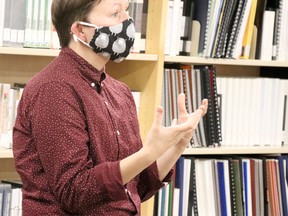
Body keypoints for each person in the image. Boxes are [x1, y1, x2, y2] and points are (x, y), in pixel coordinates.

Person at [13, 0, 208, 215]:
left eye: (127, 11)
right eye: (115, 13)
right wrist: (148, 153)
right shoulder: (53, 89)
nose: (128, 22)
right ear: (80, 30)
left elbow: (134, 189)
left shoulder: (120, 92)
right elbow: (75, 192)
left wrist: (175, 146)